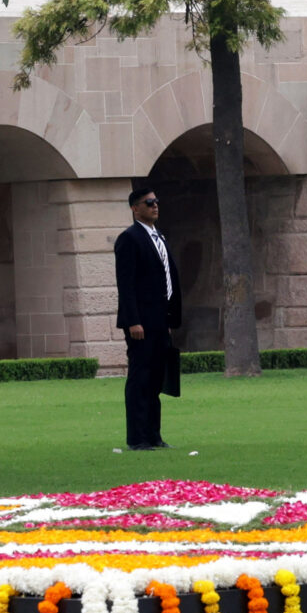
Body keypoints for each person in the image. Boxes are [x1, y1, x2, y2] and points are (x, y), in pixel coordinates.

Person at [112, 184, 182, 451]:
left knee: (156, 379)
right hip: (141, 322)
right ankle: (137, 437)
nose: (155, 206)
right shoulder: (129, 239)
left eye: (156, 201)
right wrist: (133, 320)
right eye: (149, 202)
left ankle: (154, 434)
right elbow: (126, 284)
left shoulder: (159, 237)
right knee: (140, 378)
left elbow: (167, 278)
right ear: (135, 208)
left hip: (160, 321)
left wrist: (169, 321)